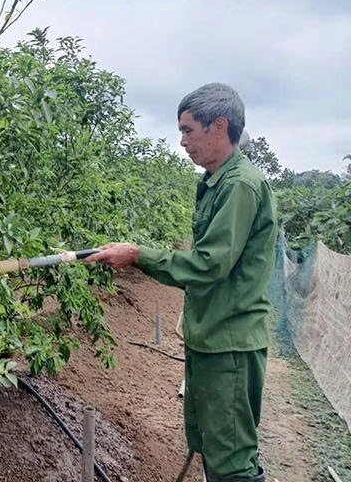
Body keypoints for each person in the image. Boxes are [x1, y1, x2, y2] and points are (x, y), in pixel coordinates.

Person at [86, 83, 276, 482]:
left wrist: (138, 255)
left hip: (230, 344)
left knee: (232, 459)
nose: (182, 141)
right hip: (211, 337)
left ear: (219, 126)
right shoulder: (214, 181)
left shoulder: (239, 185)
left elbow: (210, 265)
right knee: (211, 443)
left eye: (188, 130)